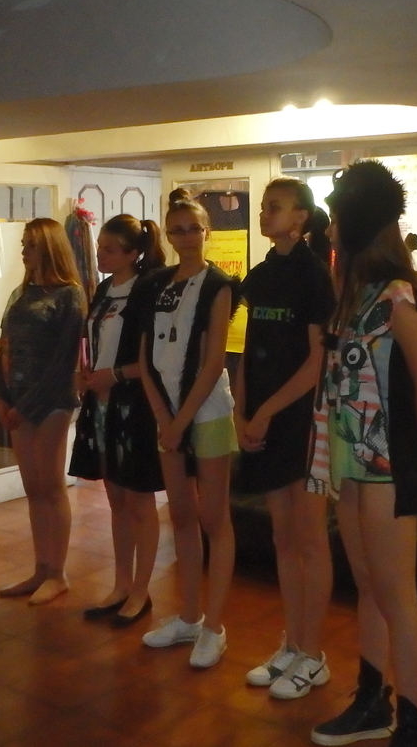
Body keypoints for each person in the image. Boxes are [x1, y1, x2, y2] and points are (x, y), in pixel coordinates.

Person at [307, 161, 417, 747]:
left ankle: (413, 722)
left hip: (389, 466)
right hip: (352, 464)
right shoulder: (355, 295)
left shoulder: (400, 298)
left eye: (337, 217)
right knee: (366, 585)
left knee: (396, 594)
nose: (329, 228)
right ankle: (372, 699)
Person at [234, 179, 337, 700]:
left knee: (309, 538)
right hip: (263, 422)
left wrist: (268, 411)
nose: (264, 214)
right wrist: (242, 412)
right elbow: (247, 351)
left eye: (274, 207)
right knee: (282, 538)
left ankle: (313, 655)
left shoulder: (315, 277)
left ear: (300, 217)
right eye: (263, 207)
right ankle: (292, 643)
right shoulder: (260, 275)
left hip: (302, 422)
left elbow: (318, 361)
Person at [138, 194, 239, 669]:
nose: (186, 237)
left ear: (206, 232)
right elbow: (144, 355)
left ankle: (214, 626)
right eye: (176, 230)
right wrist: (164, 417)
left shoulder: (219, 284)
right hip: (167, 413)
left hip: (208, 411)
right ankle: (189, 616)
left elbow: (213, 359)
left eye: (193, 228)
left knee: (214, 518)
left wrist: (179, 422)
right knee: (180, 514)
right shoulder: (156, 284)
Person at [68, 215, 165, 626]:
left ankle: (141, 589)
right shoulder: (105, 288)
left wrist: (117, 374)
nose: (100, 255)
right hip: (101, 401)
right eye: (99, 247)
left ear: (133, 253)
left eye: (108, 249)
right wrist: (85, 372)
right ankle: (121, 582)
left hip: (134, 403)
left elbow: (155, 357)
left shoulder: (148, 289)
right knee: (116, 498)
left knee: (140, 500)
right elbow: (91, 340)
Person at [0, 218, 86, 606]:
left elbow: (64, 361)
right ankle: (40, 567)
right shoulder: (20, 293)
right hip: (17, 400)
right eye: (23, 243)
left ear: (48, 248)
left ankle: (58, 573)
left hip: (51, 402)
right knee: (33, 489)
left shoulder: (70, 295)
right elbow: (5, 346)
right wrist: (1, 397)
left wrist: (26, 405)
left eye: (30, 245)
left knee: (50, 486)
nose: (23, 251)